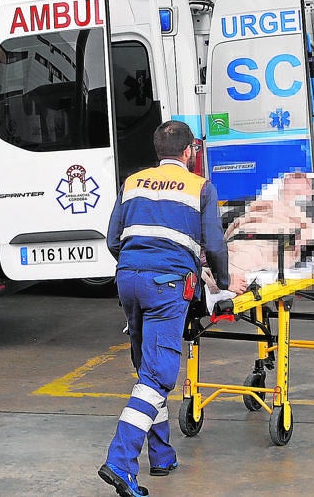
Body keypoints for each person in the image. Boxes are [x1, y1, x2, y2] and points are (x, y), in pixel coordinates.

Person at [99, 120, 233, 497]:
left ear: (158, 151)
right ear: (189, 152)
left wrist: (135, 264)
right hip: (167, 287)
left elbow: (113, 239)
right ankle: (120, 463)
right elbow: (215, 245)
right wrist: (222, 286)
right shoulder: (200, 187)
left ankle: (161, 455)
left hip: (129, 280)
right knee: (158, 377)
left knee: (146, 369)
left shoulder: (133, 182)